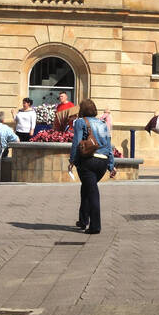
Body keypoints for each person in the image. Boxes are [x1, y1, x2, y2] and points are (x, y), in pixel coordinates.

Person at [69, 98, 115, 235]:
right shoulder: (103, 124)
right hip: (102, 162)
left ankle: (95, 226)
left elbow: (76, 142)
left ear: (82, 110)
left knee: (92, 192)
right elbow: (108, 144)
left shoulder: (80, 122)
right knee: (87, 188)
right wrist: (111, 165)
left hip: (88, 161)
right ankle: (83, 220)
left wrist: (72, 160)